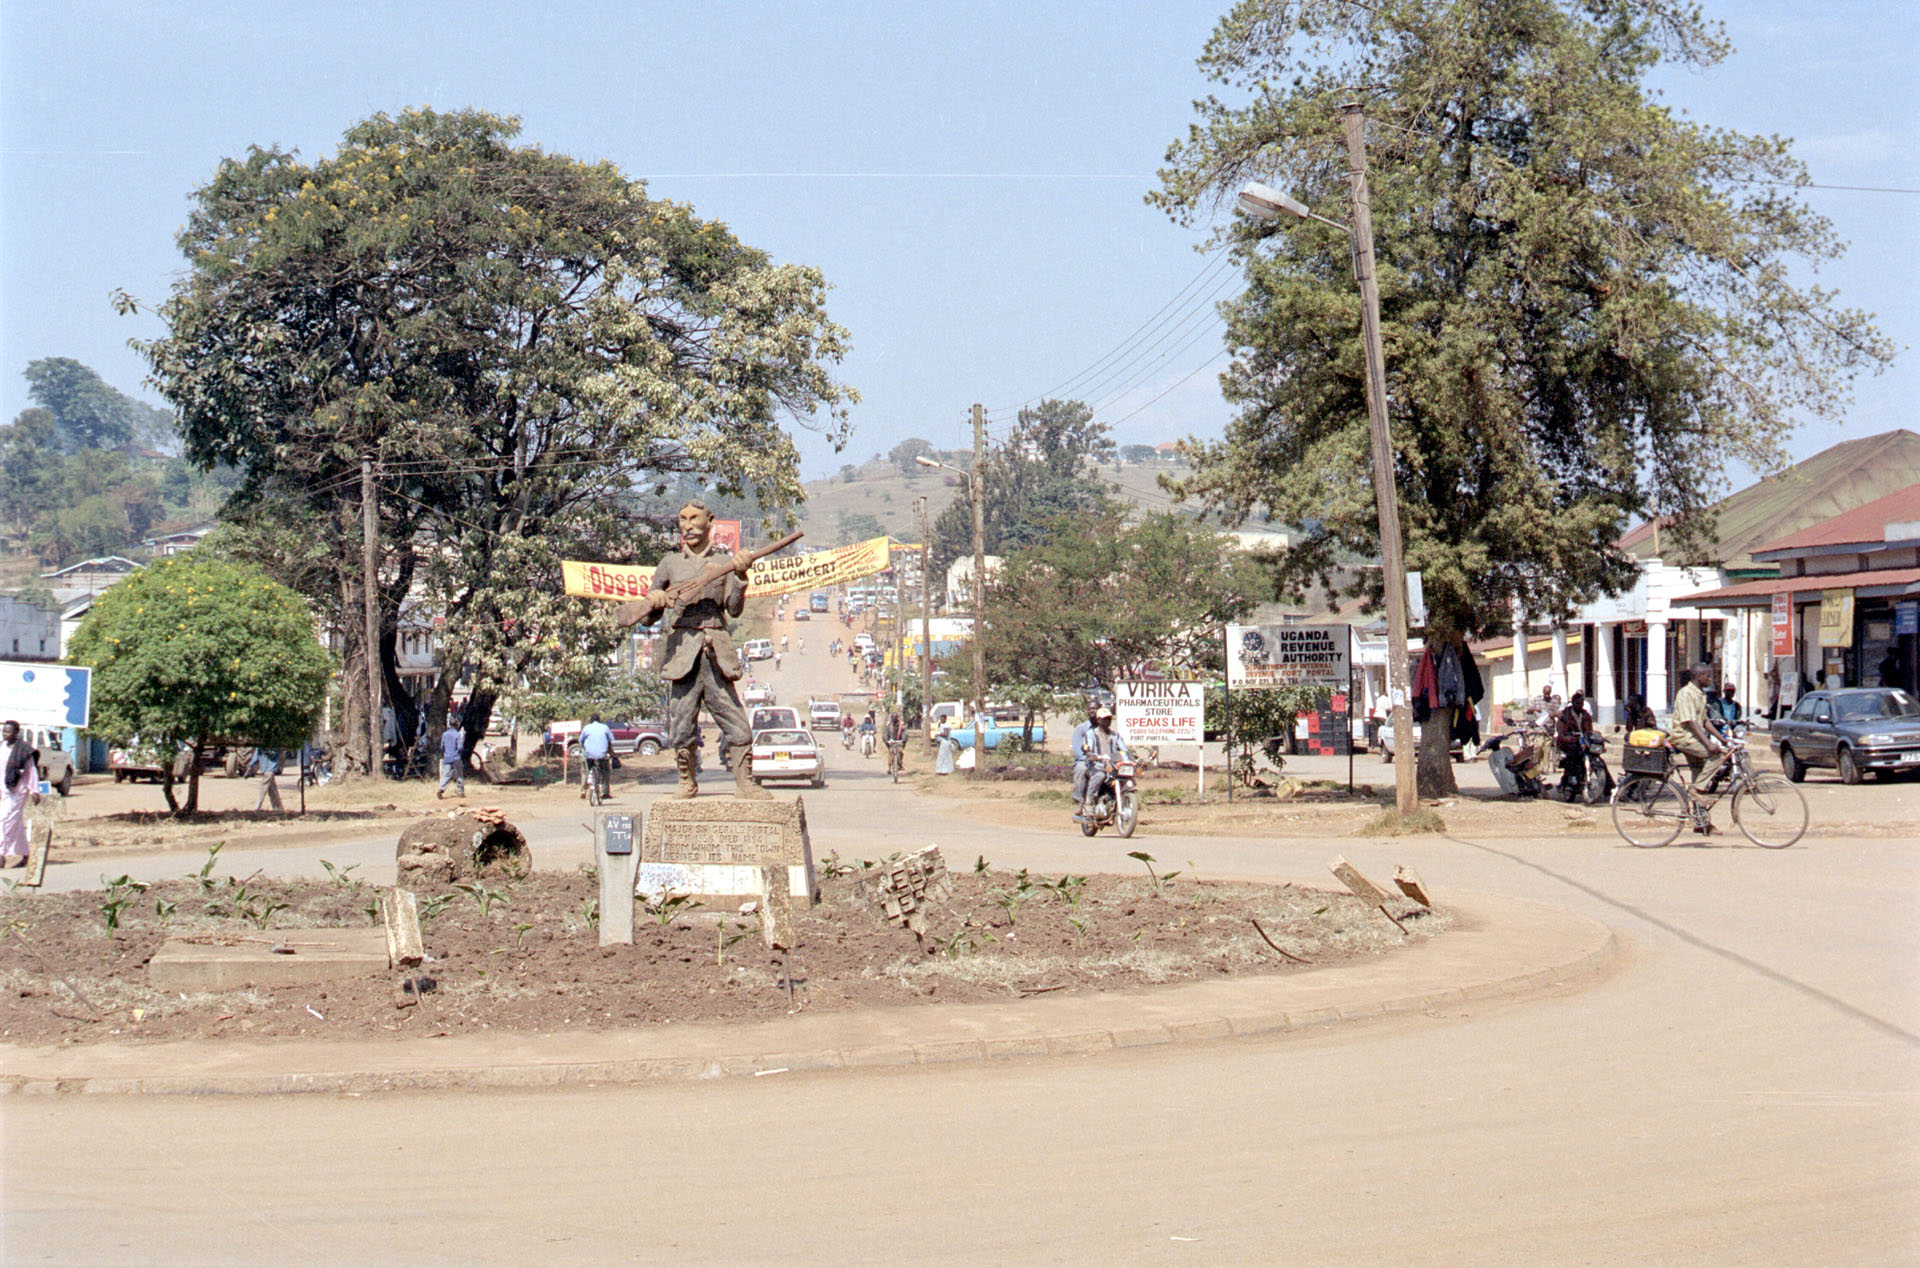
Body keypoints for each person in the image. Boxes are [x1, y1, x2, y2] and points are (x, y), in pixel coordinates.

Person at [631, 501, 767, 800]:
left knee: (736, 722)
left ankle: (745, 783)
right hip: (682, 651)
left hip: (716, 650)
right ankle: (686, 782)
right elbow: (646, 615)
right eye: (682, 519)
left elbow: (733, 609)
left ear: (710, 521)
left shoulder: (725, 562)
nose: (687, 525)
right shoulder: (669, 563)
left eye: (694, 518)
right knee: (681, 722)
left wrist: (742, 577)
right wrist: (654, 601)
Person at [1668, 662, 1728, 803]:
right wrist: (1709, 744)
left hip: (1693, 737)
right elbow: (1692, 722)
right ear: (1699, 676)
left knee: (1699, 771)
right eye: (1708, 676)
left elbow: (1705, 721)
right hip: (1684, 738)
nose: (1710, 679)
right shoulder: (1686, 694)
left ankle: (1700, 822)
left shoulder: (1700, 694)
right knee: (1717, 756)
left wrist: (1723, 739)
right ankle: (1695, 790)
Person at [1076, 706, 1129, 821]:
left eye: (1109, 719)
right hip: (1096, 766)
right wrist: (1092, 754)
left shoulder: (1115, 735)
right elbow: (1087, 748)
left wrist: (1131, 758)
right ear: (1098, 720)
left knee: (1127, 778)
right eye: (1104, 719)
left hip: (1113, 767)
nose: (1107, 721)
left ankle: (1123, 802)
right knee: (1099, 775)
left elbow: (1124, 749)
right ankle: (1089, 803)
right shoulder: (1091, 734)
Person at [1, 721, 39, 868]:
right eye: (3, 731)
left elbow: (31, 770)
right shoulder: (1, 747)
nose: (5, 734)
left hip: (19, 790)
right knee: (14, 822)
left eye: (8, 732)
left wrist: (35, 790)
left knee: (4, 819)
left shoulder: (23, 750)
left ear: (16, 733)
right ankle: (26, 854)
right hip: (5, 789)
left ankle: (1, 854)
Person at [1555, 691, 1594, 797]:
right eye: (1577, 703)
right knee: (1573, 755)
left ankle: (1608, 787)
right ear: (1572, 703)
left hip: (1583, 741)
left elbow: (1589, 730)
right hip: (1568, 742)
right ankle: (1571, 779)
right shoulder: (1565, 715)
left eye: (1581, 703)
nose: (1580, 705)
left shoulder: (1585, 715)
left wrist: (1591, 736)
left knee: (1597, 758)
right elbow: (1561, 733)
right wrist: (1572, 738)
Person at [578, 713, 614, 801]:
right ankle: (605, 792)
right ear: (599, 720)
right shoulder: (605, 727)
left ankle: (583, 789)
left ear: (591, 720)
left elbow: (580, 741)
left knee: (585, 771)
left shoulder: (586, 728)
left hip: (589, 755)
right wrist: (611, 753)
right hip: (602, 755)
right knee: (606, 771)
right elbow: (610, 741)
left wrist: (585, 750)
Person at [1069, 707, 1097, 814]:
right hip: (1085, 760)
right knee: (1081, 768)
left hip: (1101, 760)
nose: (1092, 710)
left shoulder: (1105, 728)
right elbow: (1077, 750)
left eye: (1095, 708)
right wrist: (1089, 757)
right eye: (1090, 708)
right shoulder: (1081, 729)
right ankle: (1079, 801)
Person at [437, 723, 466, 799]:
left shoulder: (444, 734)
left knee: (446, 775)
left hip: (447, 757)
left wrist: (446, 752)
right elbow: (460, 747)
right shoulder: (457, 734)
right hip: (456, 757)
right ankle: (460, 792)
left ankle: (441, 789)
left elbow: (442, 746)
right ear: (456, 726)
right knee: (459, 775)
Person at [253, 746, 285, 813]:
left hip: (269, 770)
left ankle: (257, 807)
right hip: (267, 770)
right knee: (272, 790)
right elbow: (255, 756)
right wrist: (250, 767)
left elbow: (279, 756)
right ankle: (278, 809)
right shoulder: (260, 747)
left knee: (263, 788)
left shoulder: (274, 747)